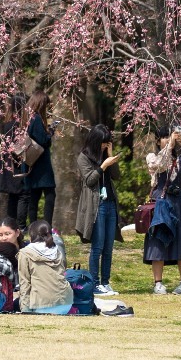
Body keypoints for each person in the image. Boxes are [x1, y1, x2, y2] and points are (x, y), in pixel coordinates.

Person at [143, 125, 181, 295]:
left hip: (179, 202)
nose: (169, 140)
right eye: (164, 137)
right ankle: (158, 283)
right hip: (161, 202)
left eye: (171, 137)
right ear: (157, 140)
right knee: (158, 240)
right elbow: (159, 166)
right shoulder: (152, 156)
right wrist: (168, 147)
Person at [76, 125, 123, 297]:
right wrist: (102, 166)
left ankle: (105, 282)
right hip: (96, 206)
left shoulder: (106, 155)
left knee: (109, 247)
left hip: (110, 203)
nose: (105, 146)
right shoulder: (84, 157)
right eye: (103, 144)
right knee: (98, 246)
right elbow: (89, 180)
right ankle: (95, 284)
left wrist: (111, 157)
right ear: (96, 141)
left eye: (107, 143)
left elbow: (117, 176)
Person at [15, 92, 57, 230]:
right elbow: (43, 141)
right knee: (50, 194)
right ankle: (46, 226)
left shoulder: (26, 118)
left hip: (30, 162)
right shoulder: (37, 118)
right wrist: (51, 131)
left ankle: (33, 226)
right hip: (40, 165)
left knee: (34, 195)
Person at [17, 219, 73, 313]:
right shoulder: (56, 250)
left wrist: (25, 310)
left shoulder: (25, 253)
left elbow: (25, 283)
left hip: (42, 305)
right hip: (66, 302)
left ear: (32, 235)